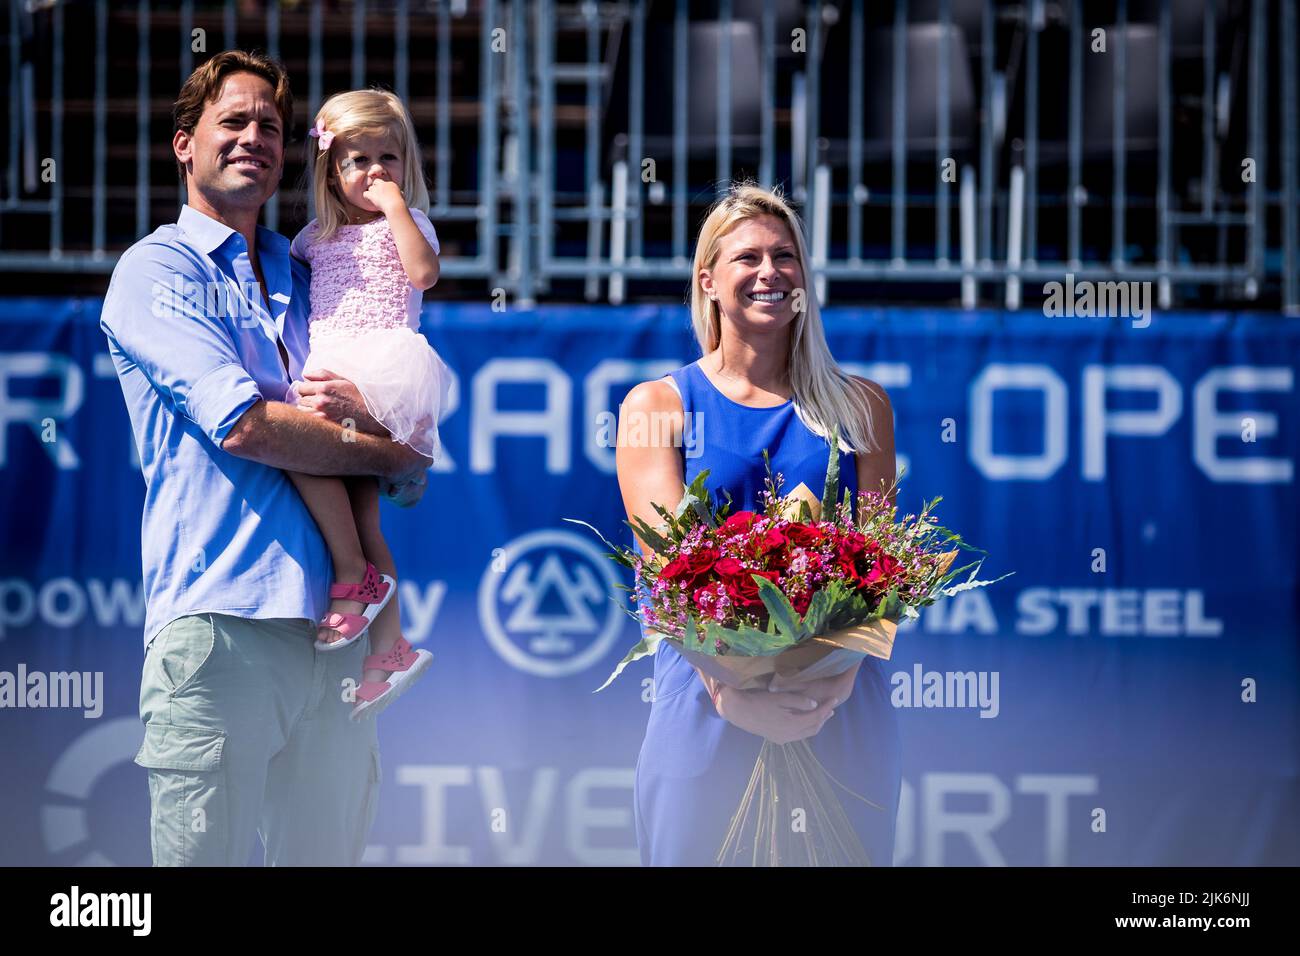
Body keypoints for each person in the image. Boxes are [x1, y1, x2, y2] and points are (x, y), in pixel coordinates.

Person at [100, 50, 428, 866]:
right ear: (184, 143)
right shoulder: (156, 268)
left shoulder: (312, 260)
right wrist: (378, 449)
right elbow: (246, 424)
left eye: (271, 127)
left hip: (334, 640)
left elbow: (408, 450)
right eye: (233, 121)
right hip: (222, 628)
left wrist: (388, 442)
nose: (254, 137)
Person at [616, 182, 902, 866]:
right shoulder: (657, 404)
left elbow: (887, 572)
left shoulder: (861, 407)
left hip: (839, 709)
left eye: (785, 256)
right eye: (748, 258)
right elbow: (663, 577)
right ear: (708, 281)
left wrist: (829, 685)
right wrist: (730, 690)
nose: (770, 272)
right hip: (704, 708)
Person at [284, 88, 449, 719]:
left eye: (388, 158)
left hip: (381, 373)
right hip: (330, 364)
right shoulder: (312, 238)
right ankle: (391, 647)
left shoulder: (406, 224)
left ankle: (353, 577)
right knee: (359, 510)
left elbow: (424, 274)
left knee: (302, 448)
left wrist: (397, 209)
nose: (374, 172)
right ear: (331, 170)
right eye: (357, 161)